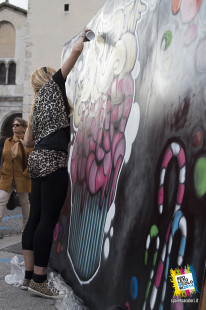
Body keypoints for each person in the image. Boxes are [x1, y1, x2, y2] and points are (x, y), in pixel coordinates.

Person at [22, 28, 90, 299]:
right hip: (52, 162)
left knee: (35, 219)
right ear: (49, 78)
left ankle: (29, 276)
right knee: (47, 220)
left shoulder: (36, 103)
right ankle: (40, 279)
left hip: (37, 160)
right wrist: (83, 36)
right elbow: (74, 52)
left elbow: (27, 141)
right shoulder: (54, 88)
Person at [0, 118, 32, 230]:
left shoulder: (28, 142)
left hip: (22, 177)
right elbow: (3, 158)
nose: (14, 126)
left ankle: (26, 227)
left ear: (23, 127)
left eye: (17, 125)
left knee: (24, 202)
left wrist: (26, 174)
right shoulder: (7, 141)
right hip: (6, 177)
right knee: (1, 200)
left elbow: (31, 161)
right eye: (13, 125)